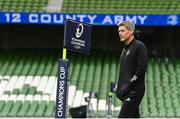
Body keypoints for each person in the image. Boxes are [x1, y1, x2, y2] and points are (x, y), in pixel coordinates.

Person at [115, 21, 148, 118]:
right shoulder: (125, 49)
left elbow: (142, 68)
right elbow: (124, 72)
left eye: (122, 31)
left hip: (134, 91)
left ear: (131, 31)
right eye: (119, 31)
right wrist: (120, 90)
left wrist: (128, 86)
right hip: (126, 92)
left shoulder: (139, 46)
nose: (120, 33)